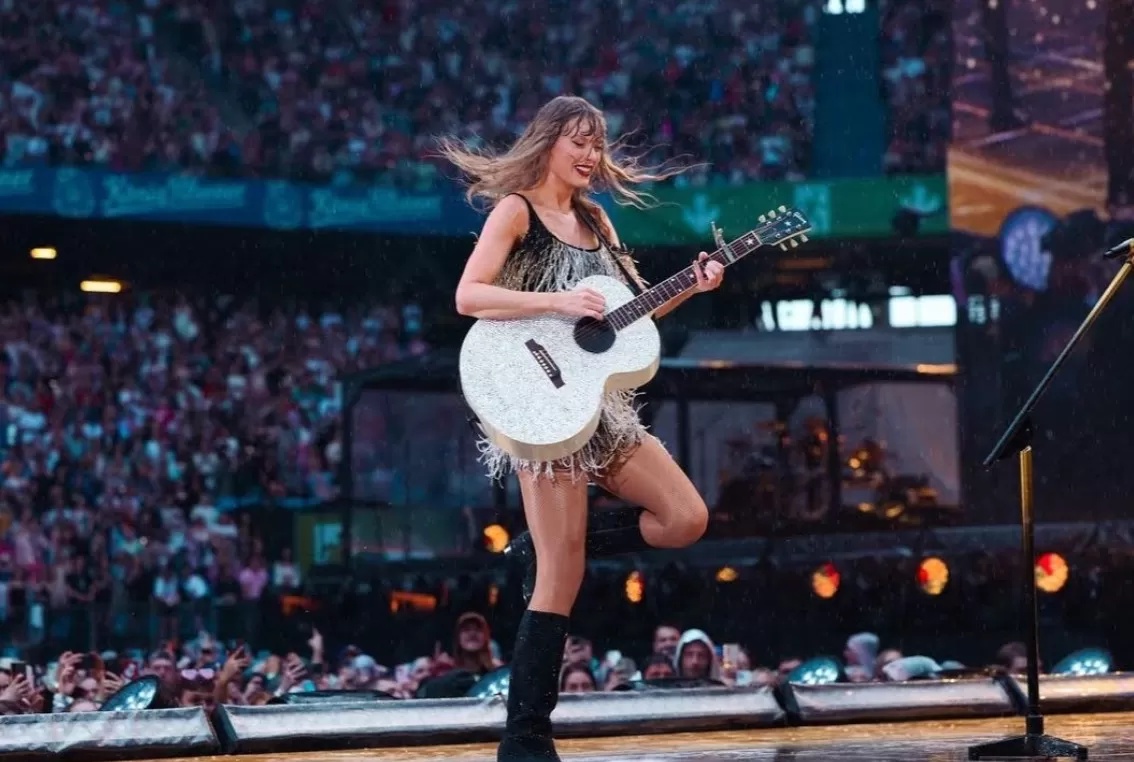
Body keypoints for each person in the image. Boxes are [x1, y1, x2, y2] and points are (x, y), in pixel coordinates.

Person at [445, 95, 720, 761]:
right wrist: (555, 300)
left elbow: (633, 307)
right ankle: (525, 737)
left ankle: (541, 544)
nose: (592, 156)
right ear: (547, 144)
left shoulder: (595, 218)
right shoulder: (517, 212)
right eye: (579, 142)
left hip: (601, 409)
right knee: (560, 576)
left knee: (685, 517)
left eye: (597, 144)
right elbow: (468, 294)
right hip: (541, 407)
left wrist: (696, 283)